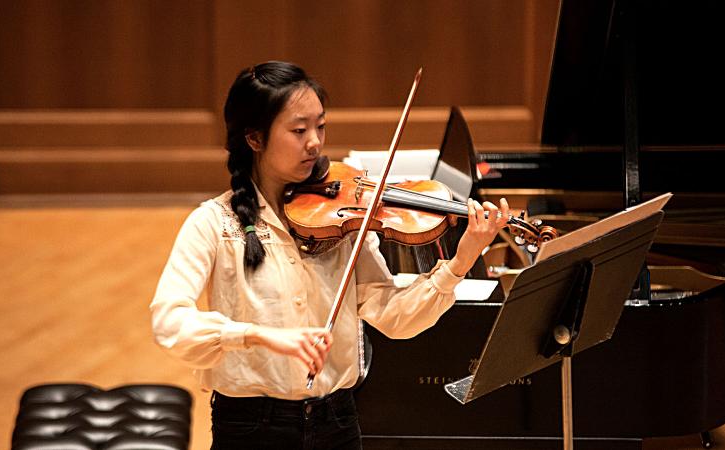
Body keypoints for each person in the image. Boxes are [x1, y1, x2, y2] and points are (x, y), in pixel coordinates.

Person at [150, 61, 509, 450]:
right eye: (298, 130)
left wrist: (459, 263)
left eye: (320, 126)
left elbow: (392, 318)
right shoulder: (213, 225)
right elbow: (170, 322)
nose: (315, 142)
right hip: (251, 428)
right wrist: (257, 336)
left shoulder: (342, 221)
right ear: (254, 139)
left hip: (337, 422)